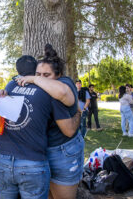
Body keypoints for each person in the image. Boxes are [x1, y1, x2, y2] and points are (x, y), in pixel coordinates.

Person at [16, 44, 84, 199]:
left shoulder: (64, 84)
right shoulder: (41, 89)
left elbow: (69, 130)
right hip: (41, 153)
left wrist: (34, 78)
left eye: (46, 75)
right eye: (38, 73)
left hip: (63, 151)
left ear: (58, 75)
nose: (40, 78)